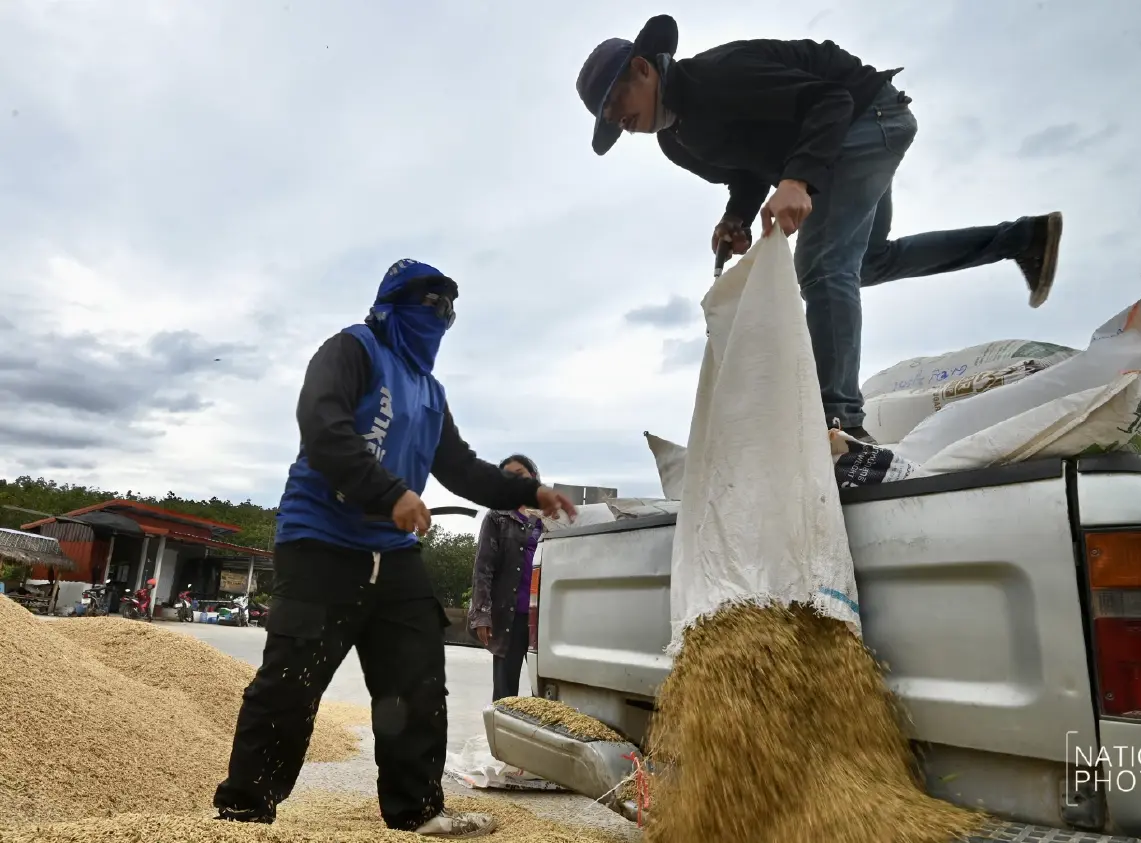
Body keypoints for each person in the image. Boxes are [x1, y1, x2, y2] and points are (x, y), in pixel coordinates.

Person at [212, 259, 577, 838]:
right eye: (432, 304)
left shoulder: (430, 391)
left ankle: (417, 810)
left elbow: (460, 467)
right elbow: (322, 426)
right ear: (394, 304)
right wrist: (390, 493)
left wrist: (529, 491)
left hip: (394, 554)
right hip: (321, 541)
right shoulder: (353, 349)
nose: (442, 317)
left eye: (450, 310)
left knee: (419, 682)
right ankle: (242, 814)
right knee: (291, 683)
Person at [576, 15, 1064, 443]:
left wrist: (795, 180)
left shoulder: (719, 76)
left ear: (642, 68)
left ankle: (840, 424)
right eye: (609, 120)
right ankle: (1023, 238)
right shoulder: (676, 142)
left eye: (616, 102)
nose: (619, 120)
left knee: (822, 266)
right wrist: (736, 218)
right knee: (866, 263)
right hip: (836, 146)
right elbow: (745, 172)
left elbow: (830, 101)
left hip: (866, 116)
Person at [468, 454, 544, 701]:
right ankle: (501, 737)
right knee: (504, 693)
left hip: (544, 621)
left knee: (545, 694)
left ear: (533, 477)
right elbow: (483, 568)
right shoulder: (496, 517)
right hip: (509, 618)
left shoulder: (550, 518)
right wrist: (481, 614)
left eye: (520, 473)